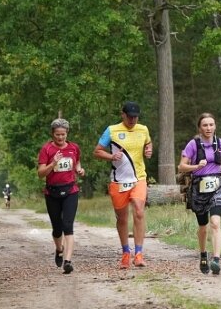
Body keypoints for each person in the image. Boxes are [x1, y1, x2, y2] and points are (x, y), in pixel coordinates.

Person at [93, 101, 153, 270]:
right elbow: (97, 151)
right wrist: (111, 157)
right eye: (130, 116)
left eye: (136, 117)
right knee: (122, 217)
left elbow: (148, 143)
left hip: (138, 178)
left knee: (139, 211)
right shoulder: (112, 130)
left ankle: (139, 254)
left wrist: (149, 150)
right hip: (118, 180)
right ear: (123, 115)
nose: (133, 120)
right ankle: (126, 252)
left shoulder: (143, 129)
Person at [178, 113, 221, 275]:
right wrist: (195, 166)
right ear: (200, 128)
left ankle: (216, 260)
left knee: (215, 222)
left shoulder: (220, 143)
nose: (208, 128)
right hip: (198, 187)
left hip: (216, 185)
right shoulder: (193, 144)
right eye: (205, 125)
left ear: (215, 126)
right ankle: (203, 254)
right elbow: (181, 166)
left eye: (211, 125)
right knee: (203, 227)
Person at [37, 118, 85, 274]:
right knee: (57, 229)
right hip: (52, 193)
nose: (60, 137)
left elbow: (76, 162)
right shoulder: (46, 150)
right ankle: (59, 249)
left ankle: (68, 261)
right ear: (52, 134)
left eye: (63, 134)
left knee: (68, 226)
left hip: (70, 191)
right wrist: (53, 163)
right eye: (57, 134)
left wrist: (79, 169)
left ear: (67, 133)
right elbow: (40, 173)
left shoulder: (74, 148)